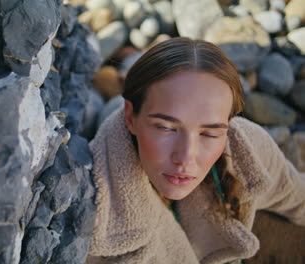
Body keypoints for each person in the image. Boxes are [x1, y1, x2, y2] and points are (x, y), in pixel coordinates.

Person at [86, 37, 305, 264]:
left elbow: (297, 198)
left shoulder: (250, 152)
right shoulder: (92, 209)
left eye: (209, 133)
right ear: (130, 116)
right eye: (165, 128)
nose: (186, 157)